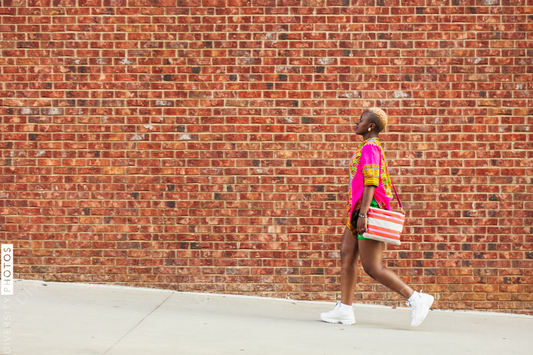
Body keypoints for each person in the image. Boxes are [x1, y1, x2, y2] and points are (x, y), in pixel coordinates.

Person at [320, 107, 434, 327]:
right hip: (358, 210)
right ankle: (344, 310)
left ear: (371, 126)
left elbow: (371, 181)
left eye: (361, 119)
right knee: (346, 255)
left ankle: (416, 299)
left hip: (367, 209)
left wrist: (363, 213)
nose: (357, 122)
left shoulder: (371, 147)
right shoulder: (366, 147)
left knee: (372, 267)